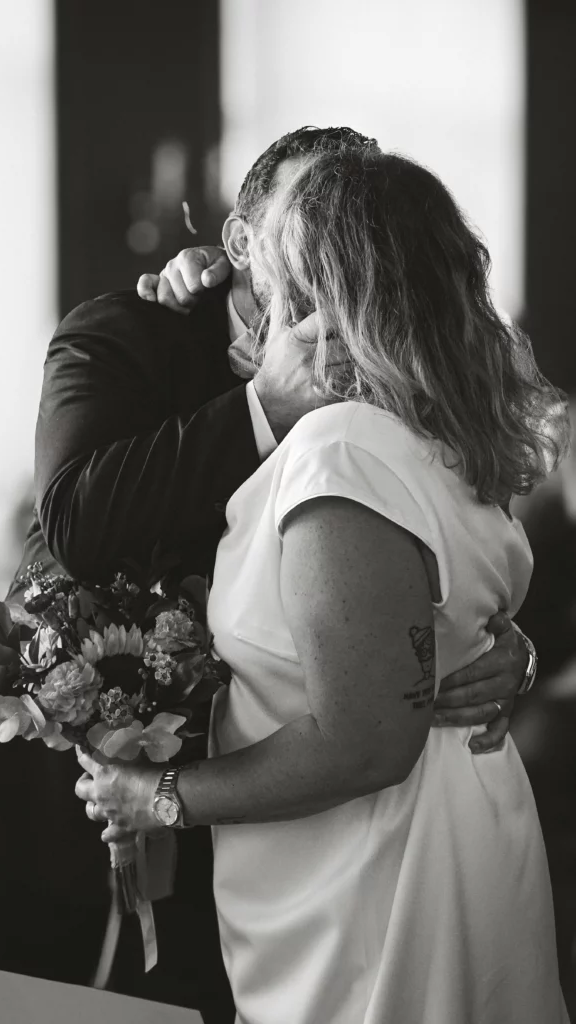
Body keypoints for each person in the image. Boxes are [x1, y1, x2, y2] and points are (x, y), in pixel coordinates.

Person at [0, 127, 532, 1024]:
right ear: (245, 240)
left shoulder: (389, 406)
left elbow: (438, 563)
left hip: (260, 812)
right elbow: (81, 524)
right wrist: (264, 404)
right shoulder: (127, 332)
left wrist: (492, 643)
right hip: (53, 797)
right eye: (309, 211)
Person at [75, 142, 569, 1023]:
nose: (246, 278)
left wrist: (156, 794)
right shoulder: (439, 429)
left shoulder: (341, 449)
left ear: (314, 280)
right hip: (432, 827)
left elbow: (366, 744)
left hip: (379, 871)